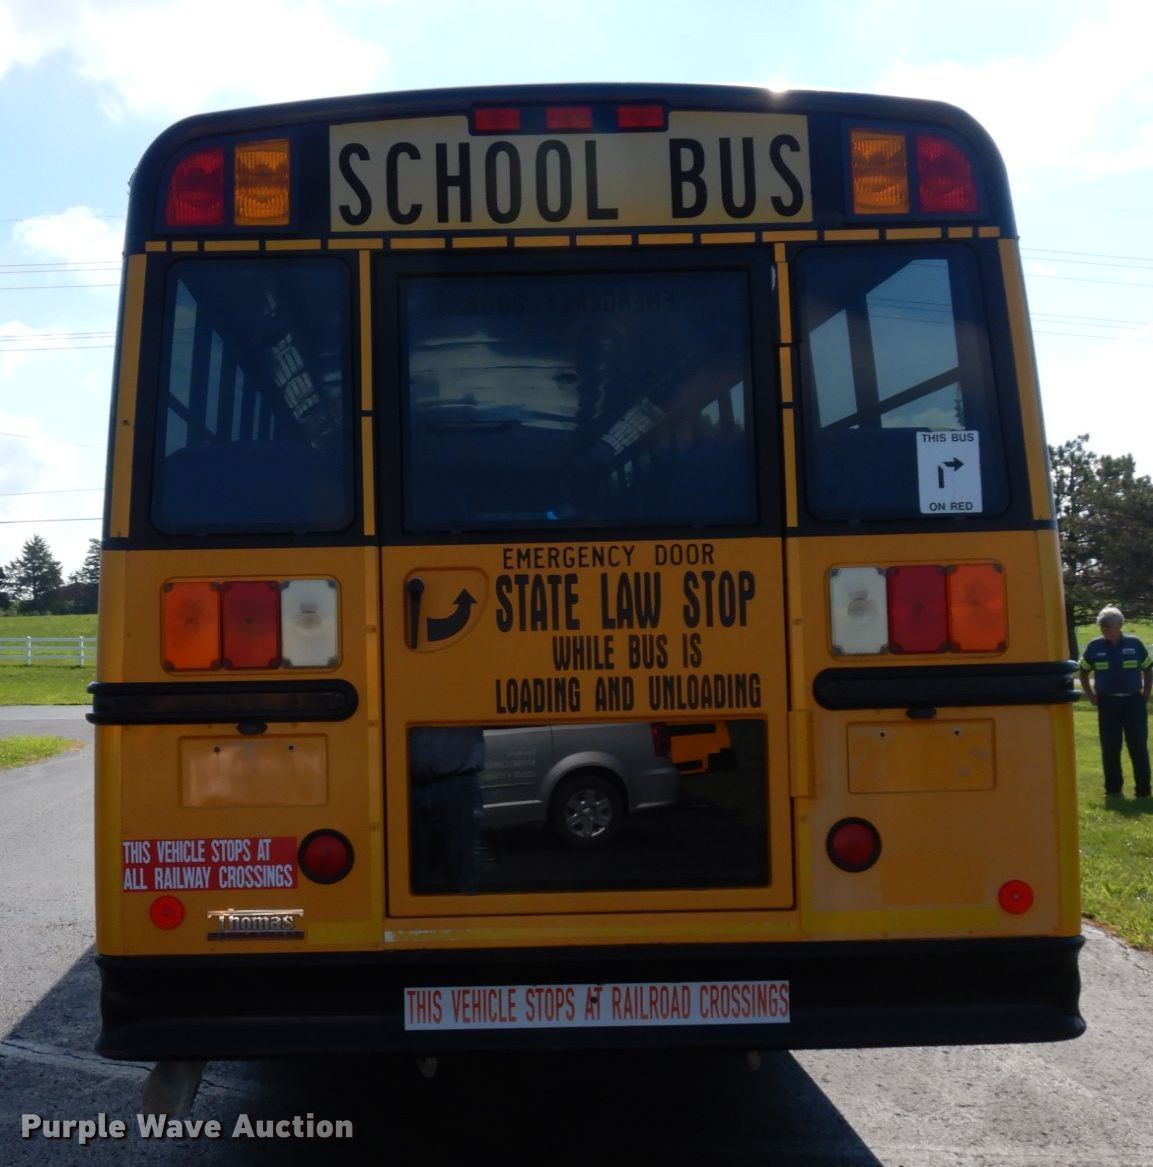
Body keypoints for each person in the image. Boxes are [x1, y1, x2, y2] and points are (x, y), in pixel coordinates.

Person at [1078, 606, 1153, 799]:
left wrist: (1145, 695)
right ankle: (1113, 790)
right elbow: (1083, 671)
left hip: (1133, 703)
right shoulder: (1095, 646)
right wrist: (1091, 695)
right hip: (1107, 703)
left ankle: (1143, 791)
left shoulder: (1135, 644)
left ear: (1119, 625)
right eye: (1102, 627)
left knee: (1138, 746)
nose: (1105, 631)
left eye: (1109, 627)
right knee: (1110, 747)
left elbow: (1148, 669)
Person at [408, 725, 485, 893]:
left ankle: (463, 908)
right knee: (410, 875)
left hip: (457, 783)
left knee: (461, 870)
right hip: (409, 784)